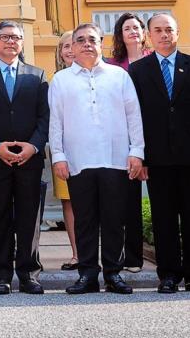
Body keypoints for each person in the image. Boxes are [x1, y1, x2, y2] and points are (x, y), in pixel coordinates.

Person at [50, 23, 144, 295]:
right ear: (73, 46)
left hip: (116, 158)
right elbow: (56, 122)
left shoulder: (119, 76)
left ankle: (113, 273)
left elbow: (133, 115)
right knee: (85, 220)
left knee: (114, 219)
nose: (87, 44)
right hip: (78, 160)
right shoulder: (61, 80)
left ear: (101, 43)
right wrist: (58, 155)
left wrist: (136, 151)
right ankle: (88, 274)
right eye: (80, 40)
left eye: (92, 39)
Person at [129, 14, 190, 294]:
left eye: (169, 29)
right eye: (158, 30)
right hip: (156, 158)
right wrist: (140, 158)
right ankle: (168, 275)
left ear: (177, 33)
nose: (164, 35)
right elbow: (135, 118)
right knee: (163, 218)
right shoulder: (138, 70)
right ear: (149, 35)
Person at [0, 21, 48, 294]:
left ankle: (29, 274)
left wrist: (34, 146)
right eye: (5, 37)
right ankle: (1, 275)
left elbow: (44, 117)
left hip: (30, 159)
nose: (10, 42)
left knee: (29, 218)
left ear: (22, 43)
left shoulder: (37, 75)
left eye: (16, 37)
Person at [106, 12, 151, 271]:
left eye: (137, 27)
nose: (133, 31)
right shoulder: (112, 66)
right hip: (124, 140)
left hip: (155, 136)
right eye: (127, 28)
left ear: (143, 33)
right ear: (120, 35)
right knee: (127, 202)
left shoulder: (155, 60)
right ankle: (130, 257)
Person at [51, 31, 78, 271]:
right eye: (64, 47)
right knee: (69, 203)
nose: (69, 50)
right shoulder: (56, 80)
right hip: (64, 151)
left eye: (72, 45)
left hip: (92, 150)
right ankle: (77, 254)